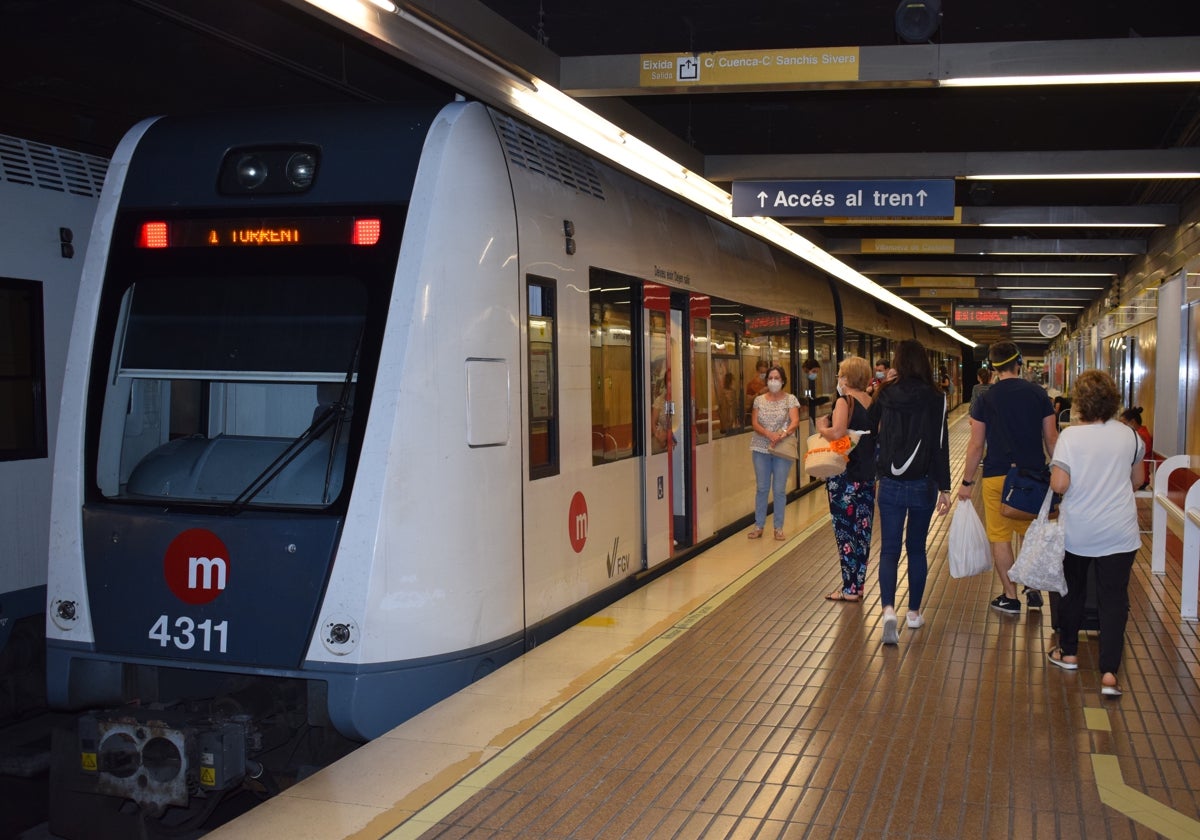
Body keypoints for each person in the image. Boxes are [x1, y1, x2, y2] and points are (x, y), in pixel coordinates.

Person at [1047, 370, 1145, 697]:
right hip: (1120, 531)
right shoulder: (1130, 436)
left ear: (1080, 402)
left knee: (1073, 592)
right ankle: (1109, 673)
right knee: (1114, 599)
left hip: (1079, 531)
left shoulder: (1072, 437)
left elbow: (1060, 484)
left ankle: (1069, 653)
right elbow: (1136, 481)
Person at [956, 340, 1058, 615]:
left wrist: (966, 483)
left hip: (996, 475)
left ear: (993, 367)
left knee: (1000, 537)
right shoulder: (1038, 394)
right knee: (1030, 533)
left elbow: (976, 445)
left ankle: (1010, 597)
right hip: (1032, 477)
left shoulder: (985, 398)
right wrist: (1059, 474)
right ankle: (1032, 587)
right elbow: (1051, 438)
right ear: (1020, 362)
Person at [869, 340, 952, 643]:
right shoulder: (936, 397)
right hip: (923, 483)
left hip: (889, 482)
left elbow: (868, 427)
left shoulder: (886, 395)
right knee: (916, 549)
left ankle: (889, 609)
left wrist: (879, 388)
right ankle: (914, 613)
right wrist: (945, 487)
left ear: (897, 362)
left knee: (889, 550)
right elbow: (941, 445)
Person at [817, 356, 876, 602]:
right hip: (867, 474)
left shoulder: (845, 401)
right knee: (862, 531)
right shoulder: (871, 401)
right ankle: (857, 585)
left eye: (840, 374)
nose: (838, 378)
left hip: (844, 475)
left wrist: (821, 427)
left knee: (845, 532)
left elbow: (838, 433)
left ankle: (849, 588)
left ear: (848, 378)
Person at [748, 364, 801, 541]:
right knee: (762, 488)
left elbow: (795, 421)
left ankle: (778, 528)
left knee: (779, 489)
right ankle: (759, 526)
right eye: (770, 378)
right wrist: (769, 434)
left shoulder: (790, 399)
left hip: (782, 448)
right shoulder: (759, 400)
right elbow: (755, 423)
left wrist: (782, 434)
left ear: (783, 380)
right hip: (760, 447)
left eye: (776, 378)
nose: (773, 381)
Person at [1119, 406, 1156, 488]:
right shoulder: (1140, 433)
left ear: (1132, 422)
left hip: (1140, 478)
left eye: (1124, 423)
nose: (1121, 427)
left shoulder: (1140, 437)